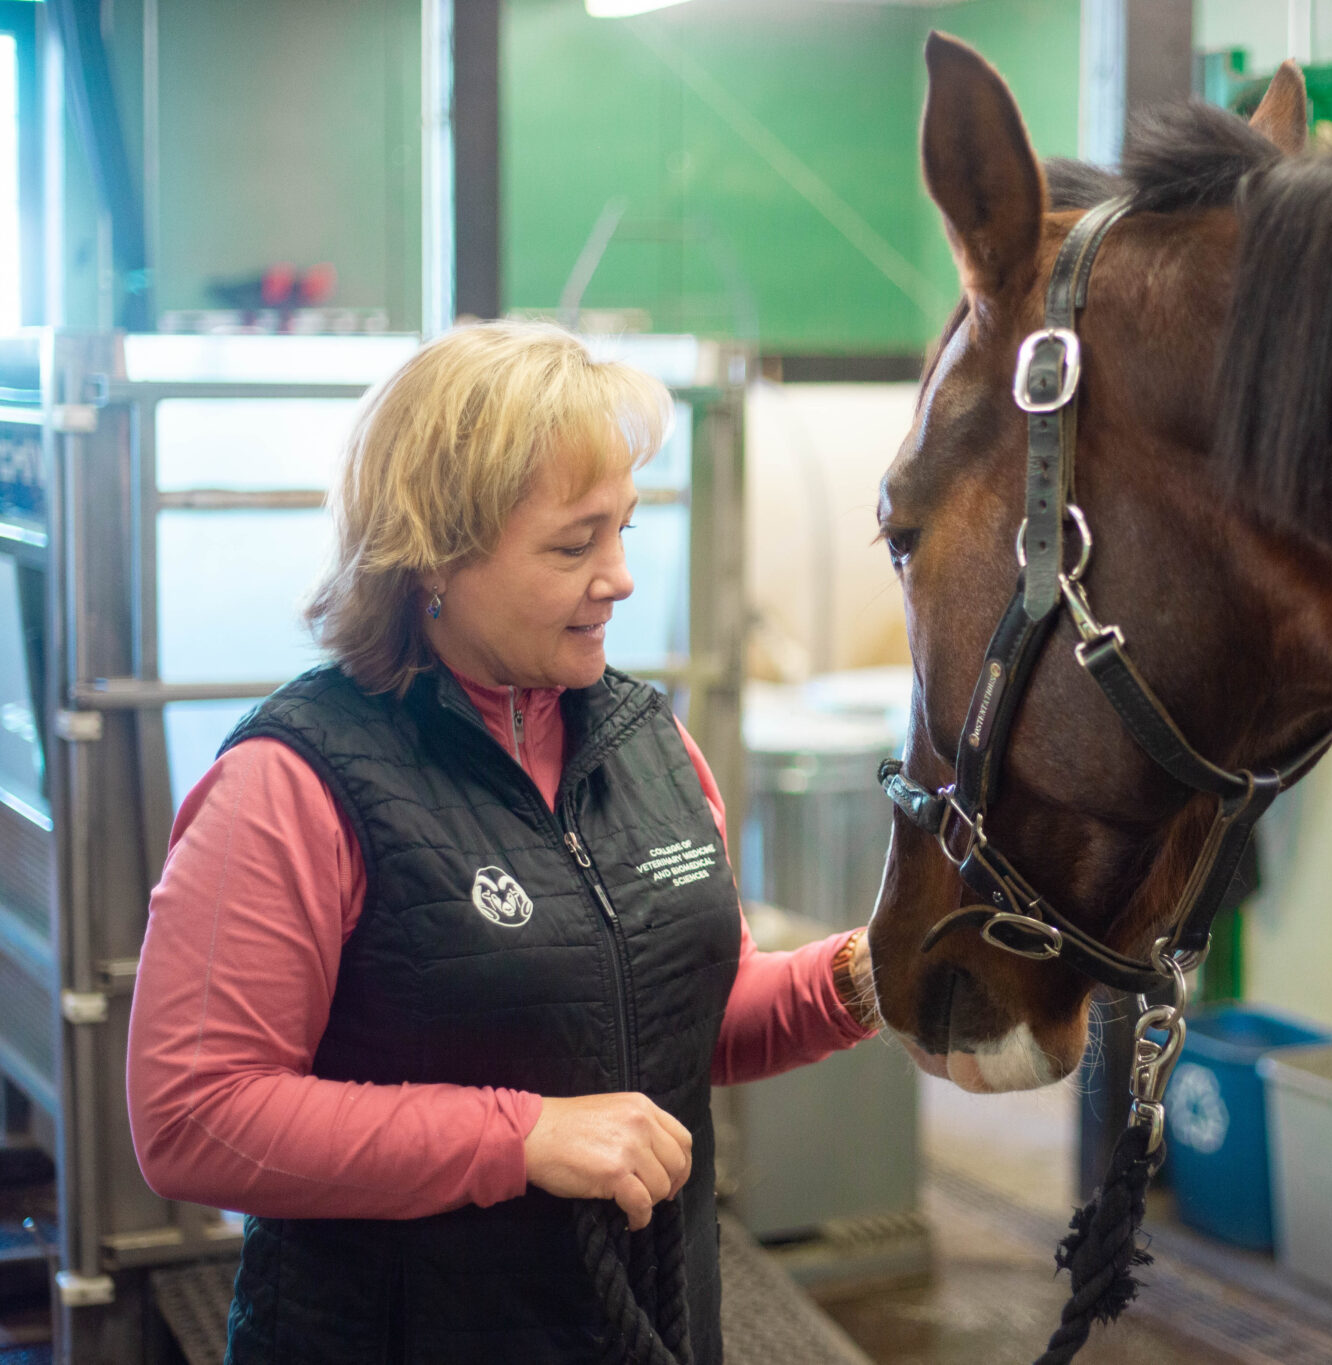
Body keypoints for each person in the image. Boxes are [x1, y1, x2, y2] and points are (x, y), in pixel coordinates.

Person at [126, 321, 880, 1364]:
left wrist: (865, 977)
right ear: (432, 557)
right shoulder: (292, 783)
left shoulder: (648, 745)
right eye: (574, 544)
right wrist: (518, 1137)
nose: (617, 576)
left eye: (623, 526)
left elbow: (680, 1024)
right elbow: (192, 1117)